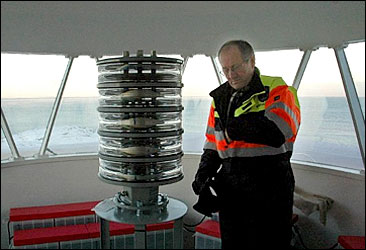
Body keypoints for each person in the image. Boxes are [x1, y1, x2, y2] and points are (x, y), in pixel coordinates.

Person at [192, 40, 301, 248]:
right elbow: (213, 142)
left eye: (235, 67)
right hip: (232, 187)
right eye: (225, 69)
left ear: (251, 61)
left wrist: (231, 126)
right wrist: (203, 173)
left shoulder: (278, 89)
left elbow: (278, 131)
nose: (230, 74)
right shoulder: (219, 98)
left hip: (271, 186)